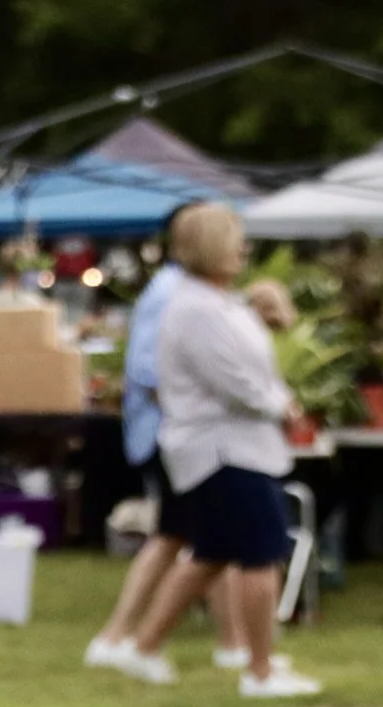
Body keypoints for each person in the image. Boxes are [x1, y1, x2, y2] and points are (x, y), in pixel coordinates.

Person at [112, 205, 322, 697]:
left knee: (211, 554)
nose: (243, 249)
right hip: (224, 449)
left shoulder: (216, 301)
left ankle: (144, 648)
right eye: (234, 240)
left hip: (232, 446)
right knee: (260, 554)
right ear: (210, 247)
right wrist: (283, 406)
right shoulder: (198, 308)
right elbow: (232, 379)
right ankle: (260, 672)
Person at [86, 204, 258, 670]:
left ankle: (230, 642)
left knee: (191, 536)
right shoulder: (172, 295)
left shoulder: (186, 291)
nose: (243, 250)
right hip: (173, 436)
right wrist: (192, 417)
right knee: (190, 536)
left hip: (174, 433)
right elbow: (148, 369)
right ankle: (126, 637)